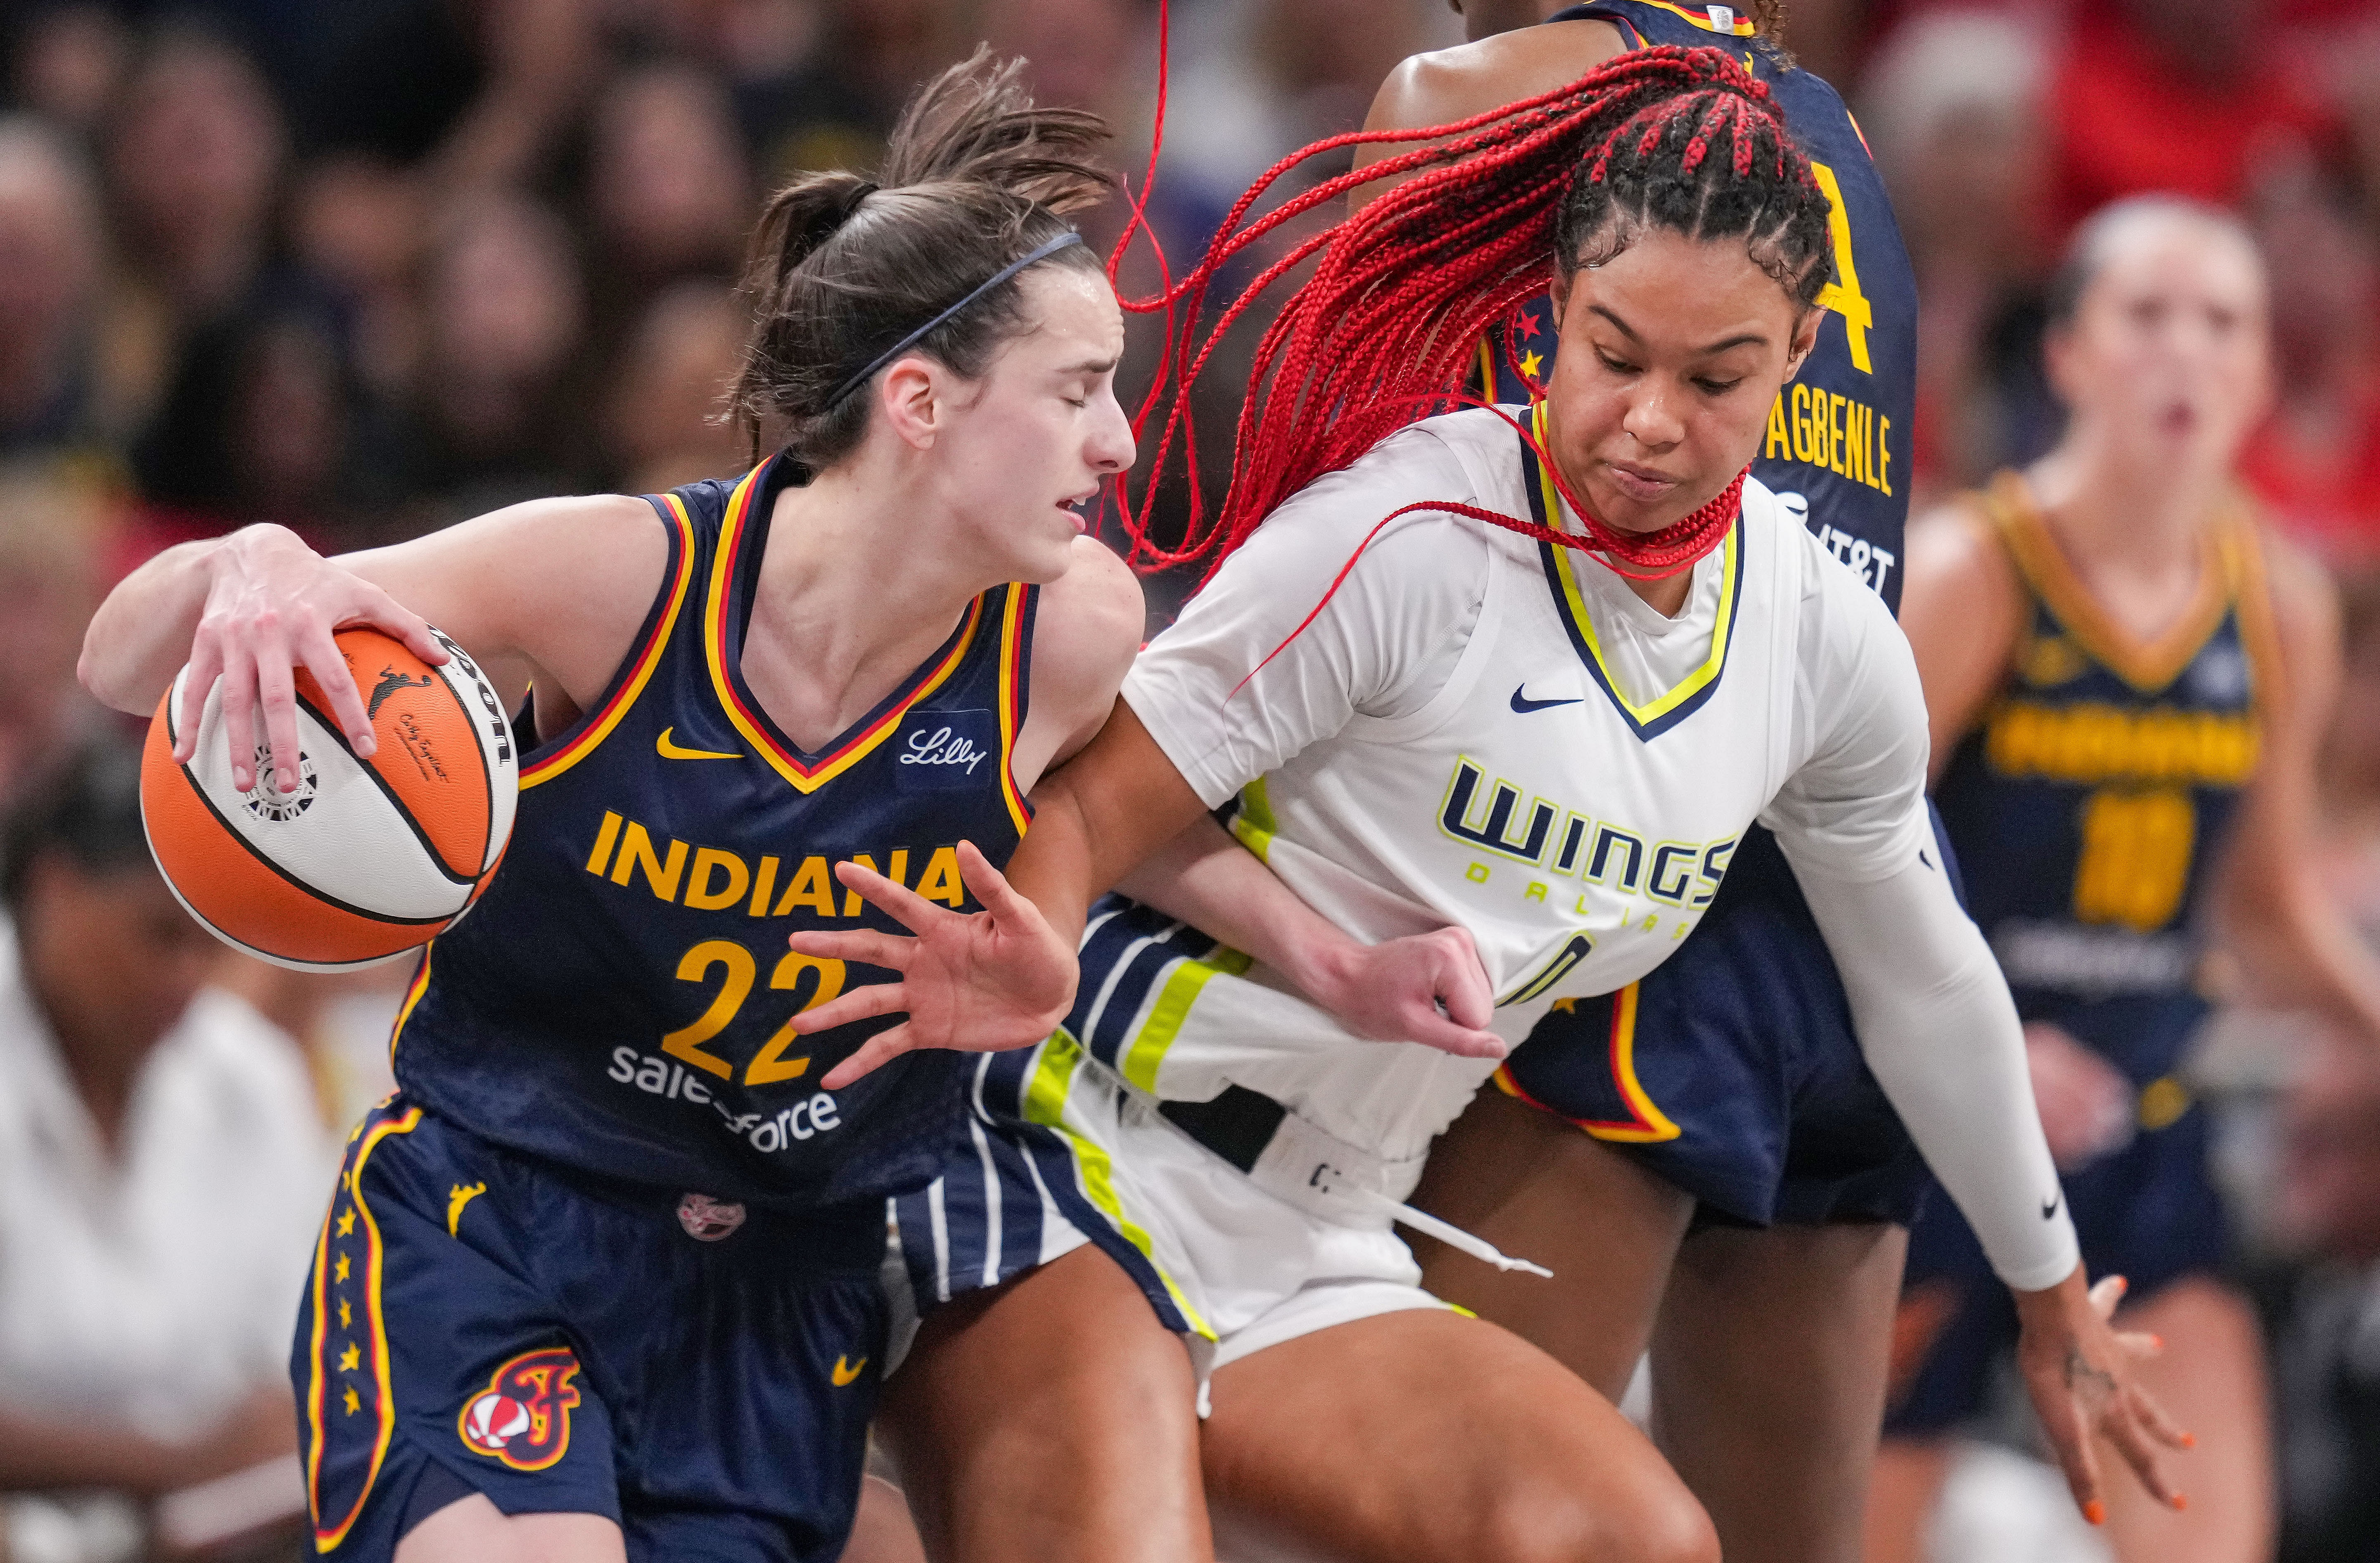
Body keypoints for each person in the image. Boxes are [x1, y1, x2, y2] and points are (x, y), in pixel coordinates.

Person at [793, 43, 2178, 1563]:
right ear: (1548, 324)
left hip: (1321, 1236)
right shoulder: (1411, 531)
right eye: (1612, 353)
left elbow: (1920, 971)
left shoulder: (1813, 633)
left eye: (1713, 378)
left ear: (1796, 358)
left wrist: (2050, 1301)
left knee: (1637, 1542)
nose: (1648, 420)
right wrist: (1041, 940)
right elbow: (1074, 806)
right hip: (1070, 1155)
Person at [79, 54, 1195, 1563]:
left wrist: (1215, 948)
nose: (1118, 440)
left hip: (780, 1282)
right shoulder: (616, 580)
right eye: (1077, 391)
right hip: (497, 1220)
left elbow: (1130, 807)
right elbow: (122, 661)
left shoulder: (1069, 634)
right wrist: (257, 560)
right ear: (921, 401)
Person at [1870, 196, 2380, 1563]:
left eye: (2222, 322)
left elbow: (2262, 908)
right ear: (2071, 356)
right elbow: (1833, 863)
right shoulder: (1975, 568)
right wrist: (1980, 1040)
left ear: (2263, 373)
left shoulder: (2277, 598)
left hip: (2138, 1142)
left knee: (2215, 1537)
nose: (2186, 353)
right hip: (1936, 1140)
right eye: (2145, 316)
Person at [0, 732, 331, 1556]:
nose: (186, 978)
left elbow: (294, 1366)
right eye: (158, 935)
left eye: (209, 944)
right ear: (56, 886)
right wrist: (173, 1464)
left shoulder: (245, 1076)